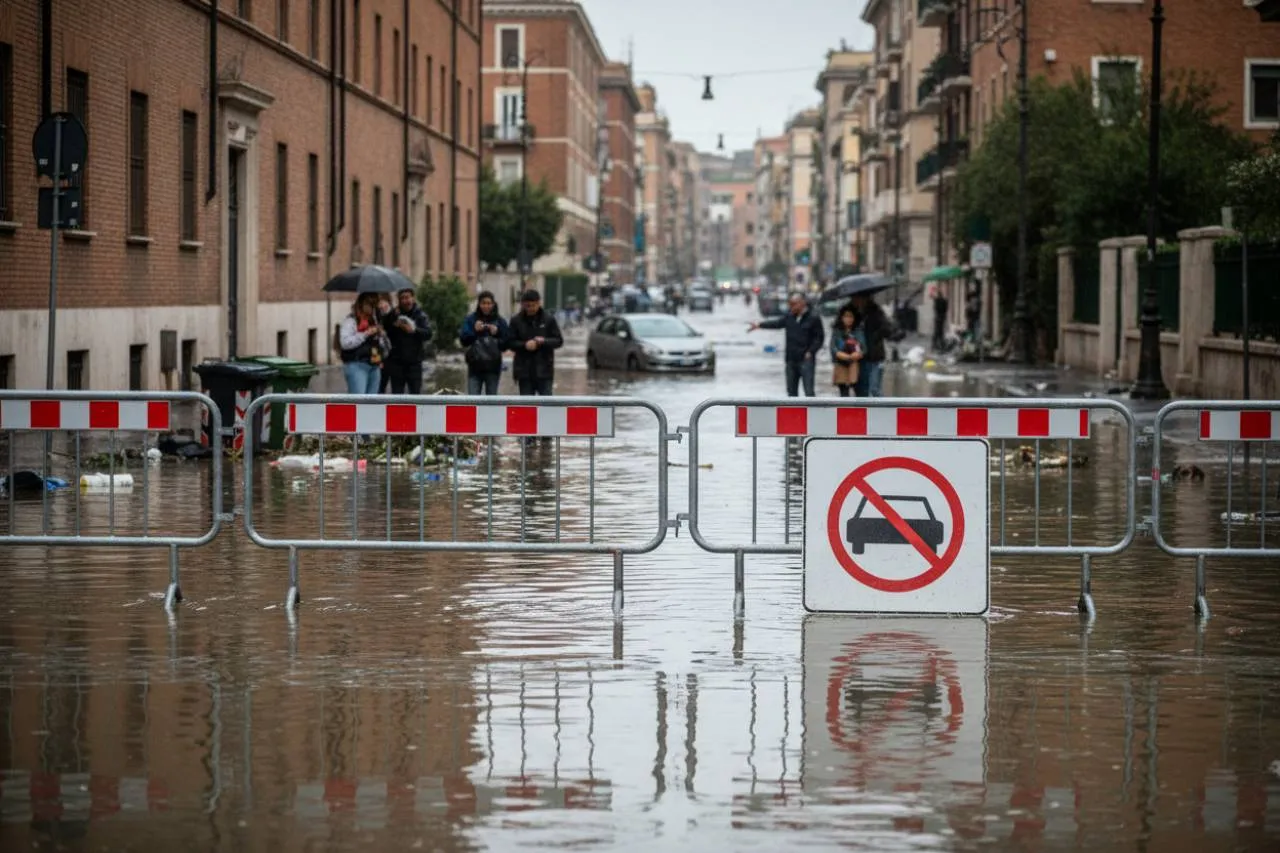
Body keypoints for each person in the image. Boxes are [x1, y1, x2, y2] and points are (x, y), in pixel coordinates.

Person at [748, 291, 825, 397]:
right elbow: (777, 323)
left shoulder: (813, 318)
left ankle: (811, 408)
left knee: (809, 392)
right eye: (790, 304)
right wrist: (759, 325)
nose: (791, 307)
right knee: (791, 392)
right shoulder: (789, 316)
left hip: (806, 359)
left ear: (802, 303)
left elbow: (819, 338)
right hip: (791, 359)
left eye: (794, 304)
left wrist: (811, 351)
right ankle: (793, 408)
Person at [507, 289, 563, 396]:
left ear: (538, 303)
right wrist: (525, 345)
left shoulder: (549, 319)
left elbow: (558, 340)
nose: (531, 308)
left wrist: (543, 341)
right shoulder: (516, 320)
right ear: (523, 304)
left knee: (546, 402)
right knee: (527, 404)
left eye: (534, 305)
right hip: (524, 371)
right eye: (528, 306)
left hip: (544, 371)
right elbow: (509, 342)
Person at [381, 287, 433, 394]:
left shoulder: (420, 315)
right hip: (396, 362)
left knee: (415, 395)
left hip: (414, 363)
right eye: (402, 298)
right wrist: (391, 318)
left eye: (407, 297)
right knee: (397, 396)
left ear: (413, 298)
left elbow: (428, 334)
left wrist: (414, 330)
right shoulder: (394, 314)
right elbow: (385, 330)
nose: (405, 301)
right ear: (399, 300)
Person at [337, 293, 390, 394]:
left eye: (375, 304)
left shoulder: (374, 319)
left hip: (374, 365)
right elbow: (345, 343)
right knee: (359, 400)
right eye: (370, 304)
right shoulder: (351, 320)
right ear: (361, 304)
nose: (372, 308)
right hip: (357, 364)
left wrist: (381, 335)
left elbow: (380, 344)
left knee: (372, 401)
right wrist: (365, 334)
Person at [458, 290, 509, 395]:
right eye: (483, 303)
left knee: (491, 400)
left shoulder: (500, 321)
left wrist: (497, 333)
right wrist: (474, 331)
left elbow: (506, 344)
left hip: (493, 367)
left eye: (489, 303)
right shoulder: (471, 319)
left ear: (493, 304)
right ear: (479, 304)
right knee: (473, 400)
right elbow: (463, 341)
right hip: (474, 367)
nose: (486, 306)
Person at [846, 292, 891, 398]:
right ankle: (862, 409)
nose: (857, 301)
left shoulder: (876, 312)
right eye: (854, 298)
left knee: (874, 389)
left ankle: (883, 408)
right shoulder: (850, 312)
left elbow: (887, 330)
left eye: (859, 298)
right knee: (861, 390)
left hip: (875, 357)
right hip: (859, 358)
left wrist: (876, 335)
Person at [830, 306, 866, 397]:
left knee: (859, 393)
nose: (848, 319)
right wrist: (840, 354)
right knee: (844, 394)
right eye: (846, 316)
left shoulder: (858, 331)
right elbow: (833, 347)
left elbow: (864, 348)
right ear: (841, 318)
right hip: (841, 364)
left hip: (855, 365)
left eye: (851, 317)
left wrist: (858, 354)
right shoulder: (837, 331)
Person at [932, 287, 949, 352]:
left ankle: (936, 345)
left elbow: (935, 308)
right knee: (940, 331)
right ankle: (941, 345)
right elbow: (946, 309)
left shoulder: (937, 301)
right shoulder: (944, 301)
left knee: (937, 331)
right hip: (942, 317)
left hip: (938, 317)